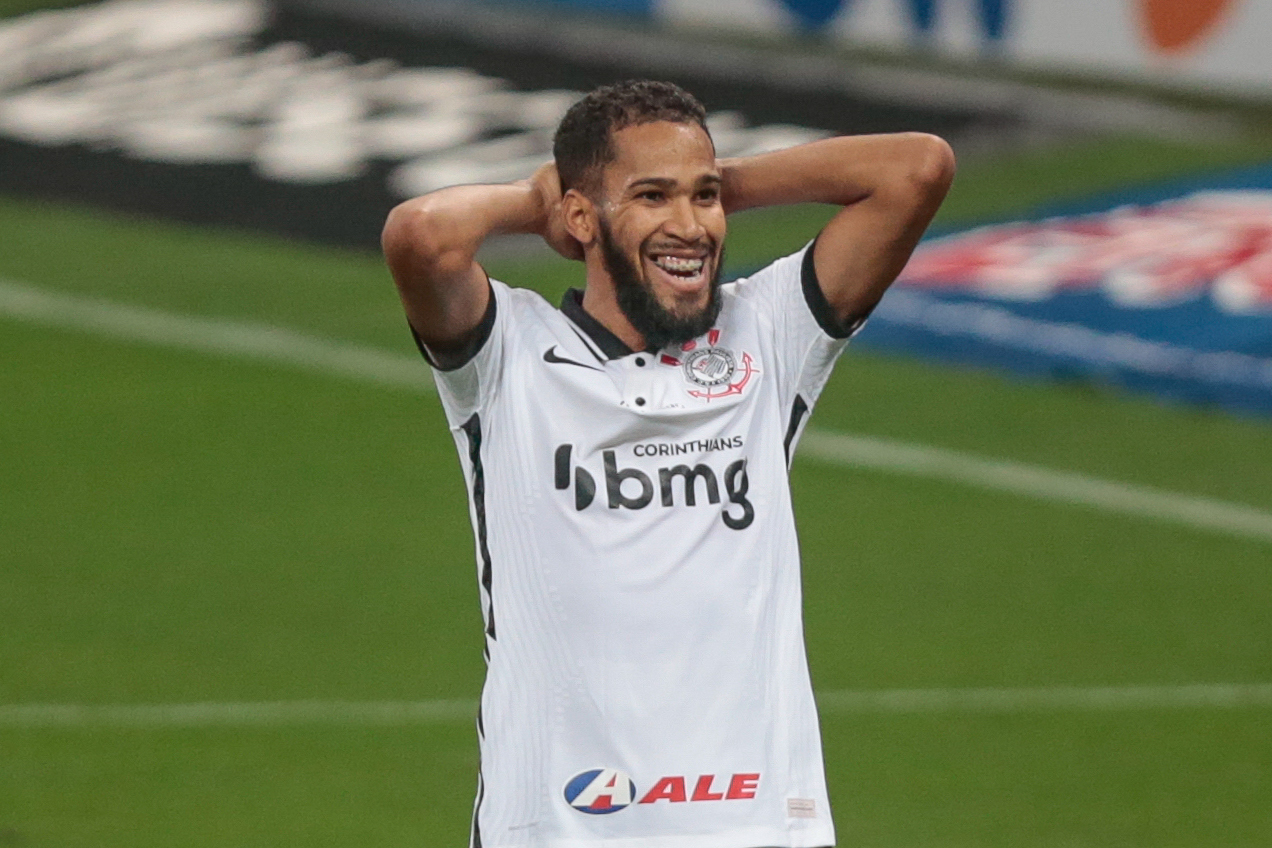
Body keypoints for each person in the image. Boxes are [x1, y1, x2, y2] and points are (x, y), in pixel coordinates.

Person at [381, 79, 953, 848]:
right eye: (652, 197)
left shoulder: (767, 332)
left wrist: (714, 186)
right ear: (581, 217)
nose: (691, 227)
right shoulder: (509, 353)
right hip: (558, 831)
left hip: (757, 827)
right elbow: (421, 234)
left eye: (703, 198)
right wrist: (540, 200)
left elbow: (916, 168)